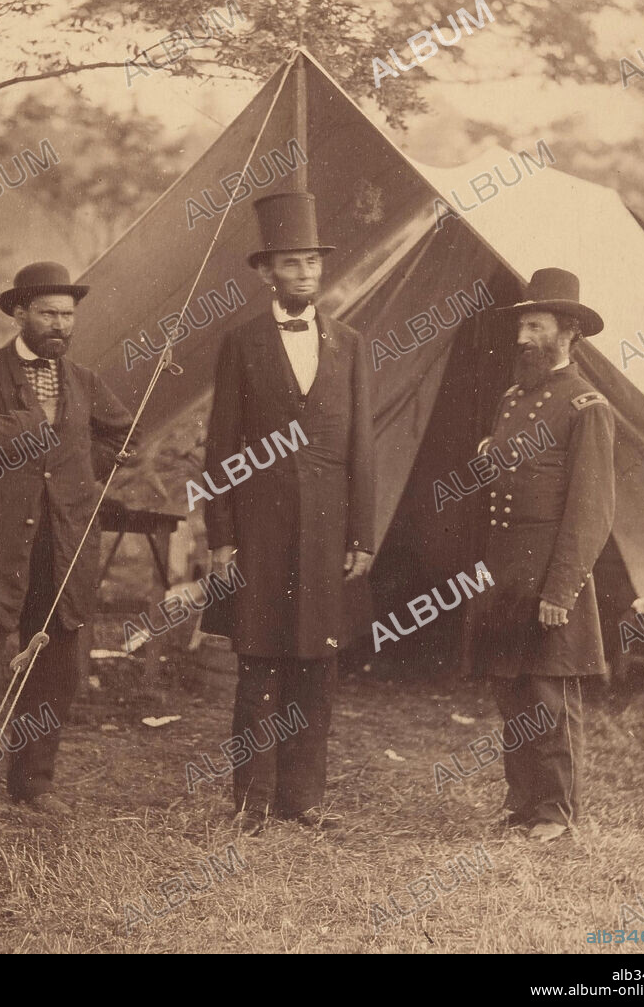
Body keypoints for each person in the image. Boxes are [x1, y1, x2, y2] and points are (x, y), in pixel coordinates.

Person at [0, 262, 133, 830]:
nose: (59, 324)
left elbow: (121, 432)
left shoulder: (86, 382)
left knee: (54, 672)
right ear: (20, 313)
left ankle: (33, 785)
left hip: (63, 549)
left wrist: (81, 473)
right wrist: (31, 421)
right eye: (48, 312)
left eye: (67, 314)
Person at [203, 192, 376, 837]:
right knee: (258, 662)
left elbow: (362, 445)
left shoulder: (351, 344)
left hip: (329, 534)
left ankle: (302, 799)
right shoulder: (241, 343)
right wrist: (221, 537)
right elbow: (220, 446)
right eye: (291, 264)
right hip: (259, 531)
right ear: (267, 272)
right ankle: (249, 799)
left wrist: (362, 534)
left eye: (312, 263)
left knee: (316, 663)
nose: (305, 274)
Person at [466, 267, 615, 842]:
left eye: (535, 325)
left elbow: (590, 510)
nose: (522, 337)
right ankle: (523, 802)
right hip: (504, 568)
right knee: (511, 689)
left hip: (550, 569)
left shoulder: (586, 405)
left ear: (568, 330)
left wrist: (561, 589)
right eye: (521, 325)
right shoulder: (512, 398)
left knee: (549, 694)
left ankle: (556, 812)